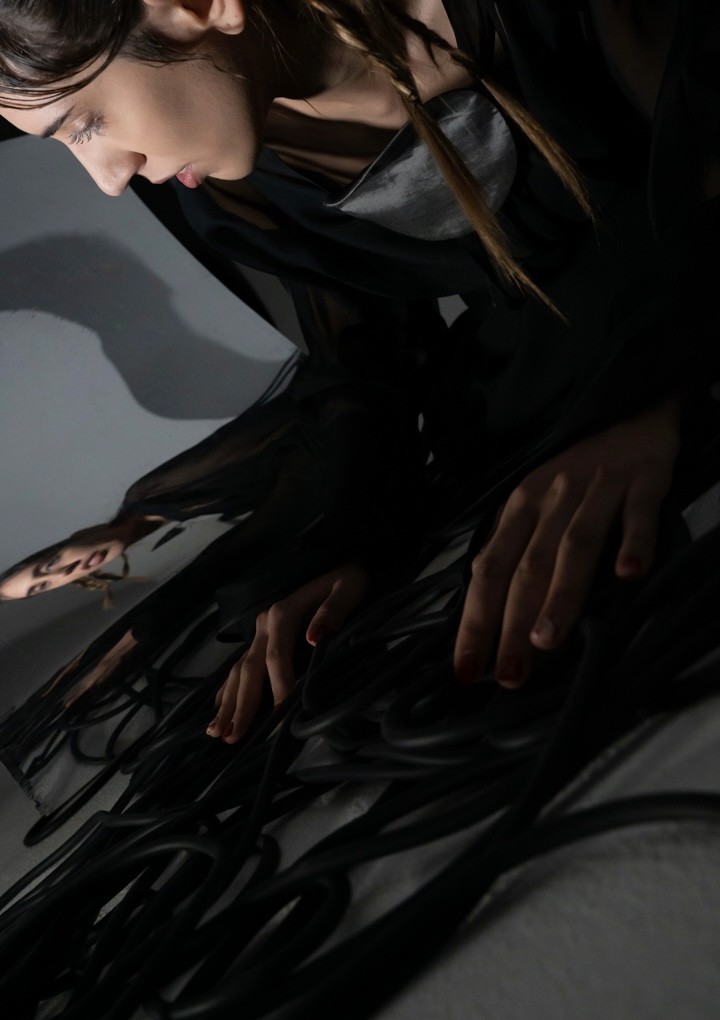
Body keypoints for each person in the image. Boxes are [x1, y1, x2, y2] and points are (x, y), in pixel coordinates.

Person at [0, 0, 716, 743]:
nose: (108, 180)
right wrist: (350, 539)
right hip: (533, 384)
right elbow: (367, 364)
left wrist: (650, 385)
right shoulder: (225, 187)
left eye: (84, 124)